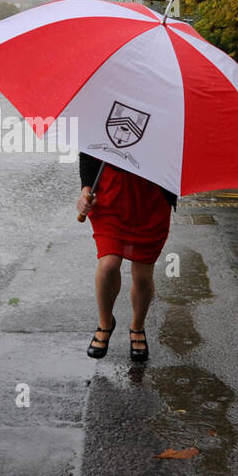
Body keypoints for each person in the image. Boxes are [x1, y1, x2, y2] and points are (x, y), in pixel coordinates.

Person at [76, 152, 176, 362]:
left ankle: (137, 327)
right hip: (111, 196)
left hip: (152, 202)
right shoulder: (105, 117)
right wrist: (86, 190)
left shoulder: (172, 124)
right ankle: (105, 323)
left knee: (142, 275)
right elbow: (89, 152)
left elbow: (178, 164)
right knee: (108, 265)